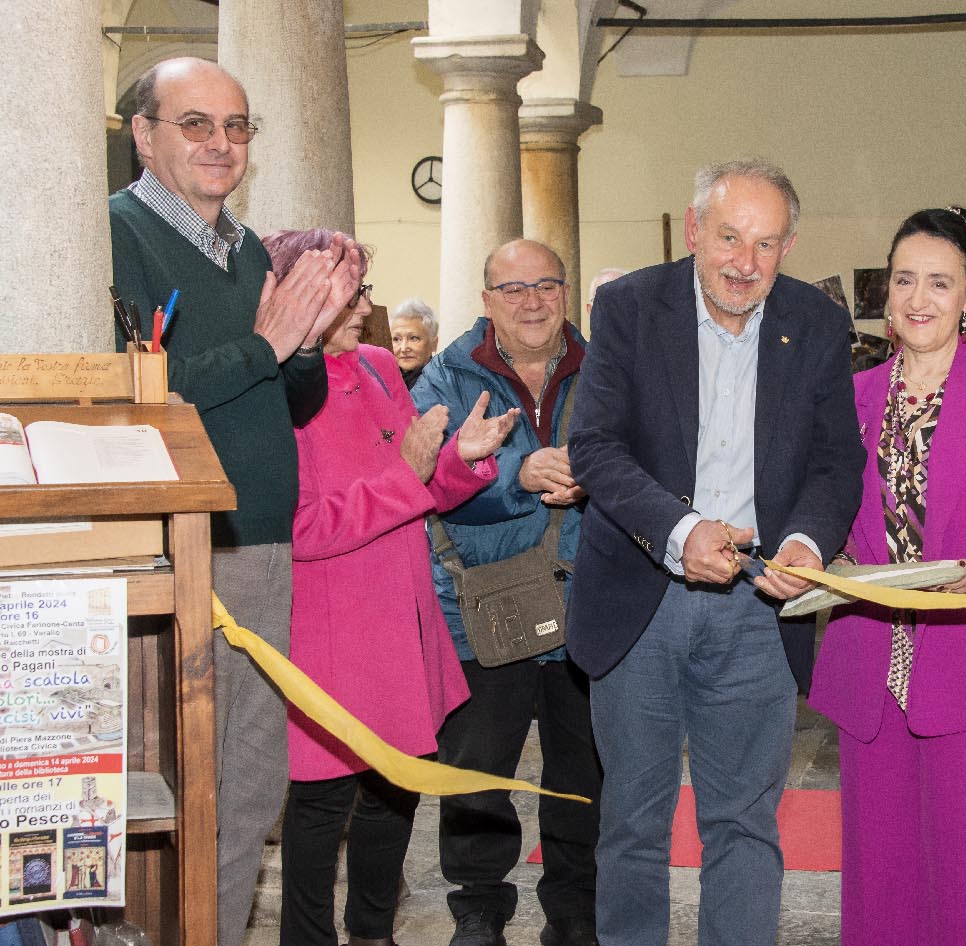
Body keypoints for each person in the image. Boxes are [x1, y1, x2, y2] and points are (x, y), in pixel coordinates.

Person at [566, 158, 865, 946]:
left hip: (757, 610)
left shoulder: (818, 322)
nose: (744, 262)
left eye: (766, 245)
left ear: (789, 246)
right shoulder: (628, 307)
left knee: (744, 823)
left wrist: (804, 541)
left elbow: (838, 463)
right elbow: (594, 446)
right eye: (729, 236)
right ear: (694, 229)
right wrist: (679, 529)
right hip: (642, 598)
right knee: (633, 821)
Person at [107, 57, 363, 946]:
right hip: (171, 546)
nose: (222, 145)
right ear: (143, 134)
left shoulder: (247, 247)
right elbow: (132, 393)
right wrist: (267, 342)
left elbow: (287, 403)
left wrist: (301, 348)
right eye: (196, 124)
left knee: (249, 783)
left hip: (257, 542)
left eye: (238, 126)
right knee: (163, 781)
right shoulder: (116, 233)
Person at [806, 208, 966, 945]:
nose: (919, 297)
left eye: (940, 283)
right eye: (905, 279)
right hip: (871, 665)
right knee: (876, 876)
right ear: (885, 292)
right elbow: (820, 508)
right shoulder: (850, 398)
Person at [266, 228, 516, 946]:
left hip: (402, 621)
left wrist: (462, 459)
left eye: (363, 288)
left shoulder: (377, 367)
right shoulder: (281, 391)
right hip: (333, 631)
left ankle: (373, 932)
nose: (364, 306)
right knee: (321, 806)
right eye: (348, 291)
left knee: (396, 788)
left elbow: (423, 489)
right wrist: (406, 473)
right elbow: (305, 529)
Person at [411, 239, 600, 946]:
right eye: (512, 288)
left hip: (585, 601)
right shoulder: (443, 377)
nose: (531, 301)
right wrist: (517, 472)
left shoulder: (605, 370)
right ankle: (479, 905)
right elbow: (422, 479)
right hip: (480, 604)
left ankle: (574, 905)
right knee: (477, 768)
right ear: (486, 300)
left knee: (582, 765)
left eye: (545, 285)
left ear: (565, 292)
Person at [390, 297, 439, 388]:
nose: (404, 348)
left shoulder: (442, 385)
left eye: (413, 338)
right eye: (396, 339)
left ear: (433, 344)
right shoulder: (382, 382)